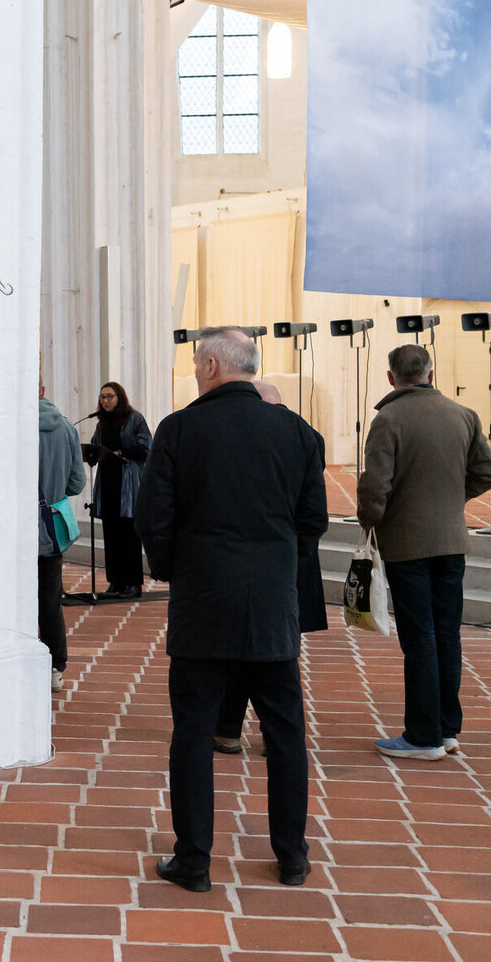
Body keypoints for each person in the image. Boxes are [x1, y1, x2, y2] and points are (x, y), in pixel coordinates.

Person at [136, 327, 327, 892]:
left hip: (203, 605)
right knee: (286, 734)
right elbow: (312, 521)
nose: (195, 370)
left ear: (215, 365)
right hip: (272, 607)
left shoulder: (179, 430)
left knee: (193, 733)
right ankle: (291, 856)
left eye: (197, 362)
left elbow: (153, 517)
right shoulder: (297, 433)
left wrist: (177, 569)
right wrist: (279, 573)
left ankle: (194, 861)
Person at [358, 344, 491, 761]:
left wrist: (372, 519)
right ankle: (446, 729)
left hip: (406, 544)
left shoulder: (389, 419)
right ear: (431, 375)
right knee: (446, 633)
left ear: (391, 378)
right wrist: (452, 499)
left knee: (419, 637)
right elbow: (489, 472)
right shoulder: (463, 415)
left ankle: (422, 737)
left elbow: (375, 486)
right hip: (452, 541)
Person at [213, 379, 329, 755]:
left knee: (245, 651)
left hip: (260, 558)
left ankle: (230, 728)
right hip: (290, 557)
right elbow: (314, 514)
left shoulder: (250, 436)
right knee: (279, 651)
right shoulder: (306, 434)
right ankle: (275, 734)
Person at [38, 382, 86, 693]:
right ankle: (56, 667)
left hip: (12, 527)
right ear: (43, 388)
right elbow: (78, 482)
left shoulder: (7, 423)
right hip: (51, 526)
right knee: (51, 600)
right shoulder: (66, 427)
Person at [86, 382, 151, 600]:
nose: (105, 401)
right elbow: (96, 447)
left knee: (129, 535)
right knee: (111, 534)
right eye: (102, 397)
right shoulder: (101, 424)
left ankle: (133, 584)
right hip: (107, 483)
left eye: (110, 396)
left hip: (128, 483)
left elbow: (146, 449)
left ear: (120, 397)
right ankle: (115, 581)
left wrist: (121, 451)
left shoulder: (135, 419)